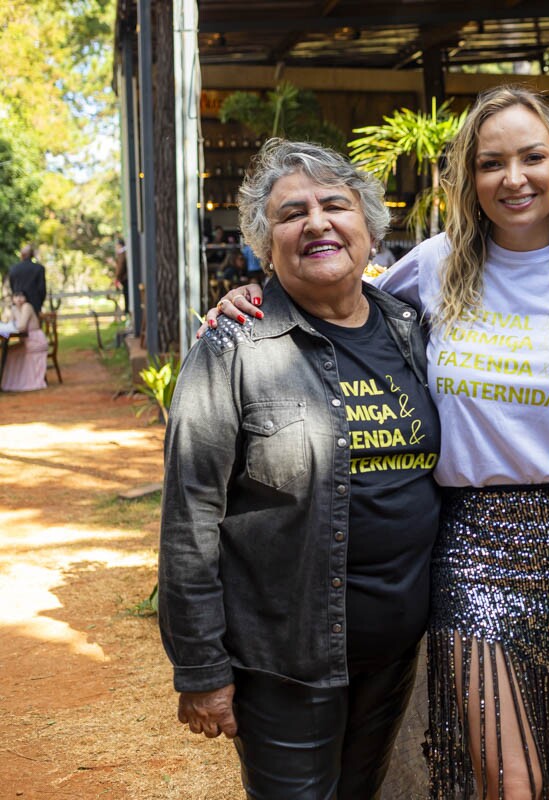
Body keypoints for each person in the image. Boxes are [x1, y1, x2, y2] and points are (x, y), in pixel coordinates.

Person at [205, 86, 549, 800]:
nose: (514, 178)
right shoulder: (433, 266)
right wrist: (254, 299)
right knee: (513, 784)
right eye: (491, 162)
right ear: (468, 179)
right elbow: (338, 309)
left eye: (533, 157)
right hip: (473, 546)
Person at [160, 139, 441, 799]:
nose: (316, 222)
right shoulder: (233, 347)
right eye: (291, 213)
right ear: (264, 243)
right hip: (287, 659)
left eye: (335, 205)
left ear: (369, 230)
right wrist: (201, 666)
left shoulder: (413, 331)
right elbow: (190, 515)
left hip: (394, 652)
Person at [1, 291, 48, 392]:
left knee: (9, 352)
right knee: (7, 351)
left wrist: (15, 310)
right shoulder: (14, 309)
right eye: (16, 296)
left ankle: (20, 382)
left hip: (35, 340)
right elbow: (11, 325)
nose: (19, 299)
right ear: (12, 298)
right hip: (26, 341)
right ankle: (9, 382)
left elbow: (22, 326)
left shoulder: (27, 306)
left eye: (21, 296)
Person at [8, 245, 46, 315]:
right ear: (32, 255)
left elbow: (12, 288)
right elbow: (42, 289)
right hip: (34, 305)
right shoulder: (39, 268)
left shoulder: (13, 269)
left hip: (18, 305)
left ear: (21, 255)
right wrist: (39, 304)